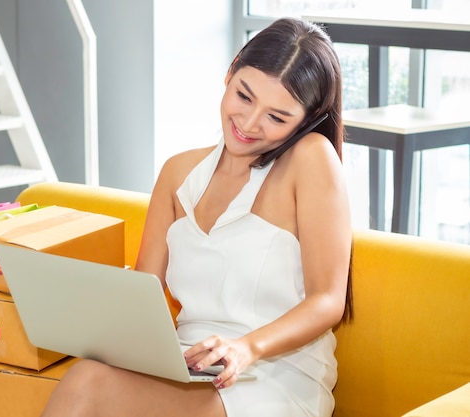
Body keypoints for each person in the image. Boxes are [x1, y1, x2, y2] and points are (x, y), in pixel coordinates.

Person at [40, 17, 352, 417]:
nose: (250, 123)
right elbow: (144, 296)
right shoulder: (177, 173)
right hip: (189, 367)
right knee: (85, 378)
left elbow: (328, 301)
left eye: (277, 117)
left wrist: (246, 347)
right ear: (231, 69)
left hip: (275, 372)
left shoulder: (310, 159)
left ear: (305, 121)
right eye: (244, 95)